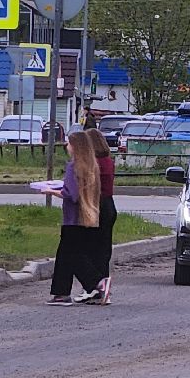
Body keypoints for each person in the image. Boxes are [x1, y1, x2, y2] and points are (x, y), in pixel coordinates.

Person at [46, 130, 102, 305]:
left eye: (69, 143)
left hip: (71, 218)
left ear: (76, 146)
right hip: (85, 216)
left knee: (70, 255)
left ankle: (96, 283)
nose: (67, 146)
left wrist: (51, 191)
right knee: (69, 255)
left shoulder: (73, 166)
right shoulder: (91, 166)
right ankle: (65, 292)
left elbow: (71, 194)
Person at [84, 129, 119, 304]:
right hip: (109, 205)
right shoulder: (108, 161)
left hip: (97, 205)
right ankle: (104, 288)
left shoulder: (94, 163)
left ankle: (96, 288)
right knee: (104, 249)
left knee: (91, 248)